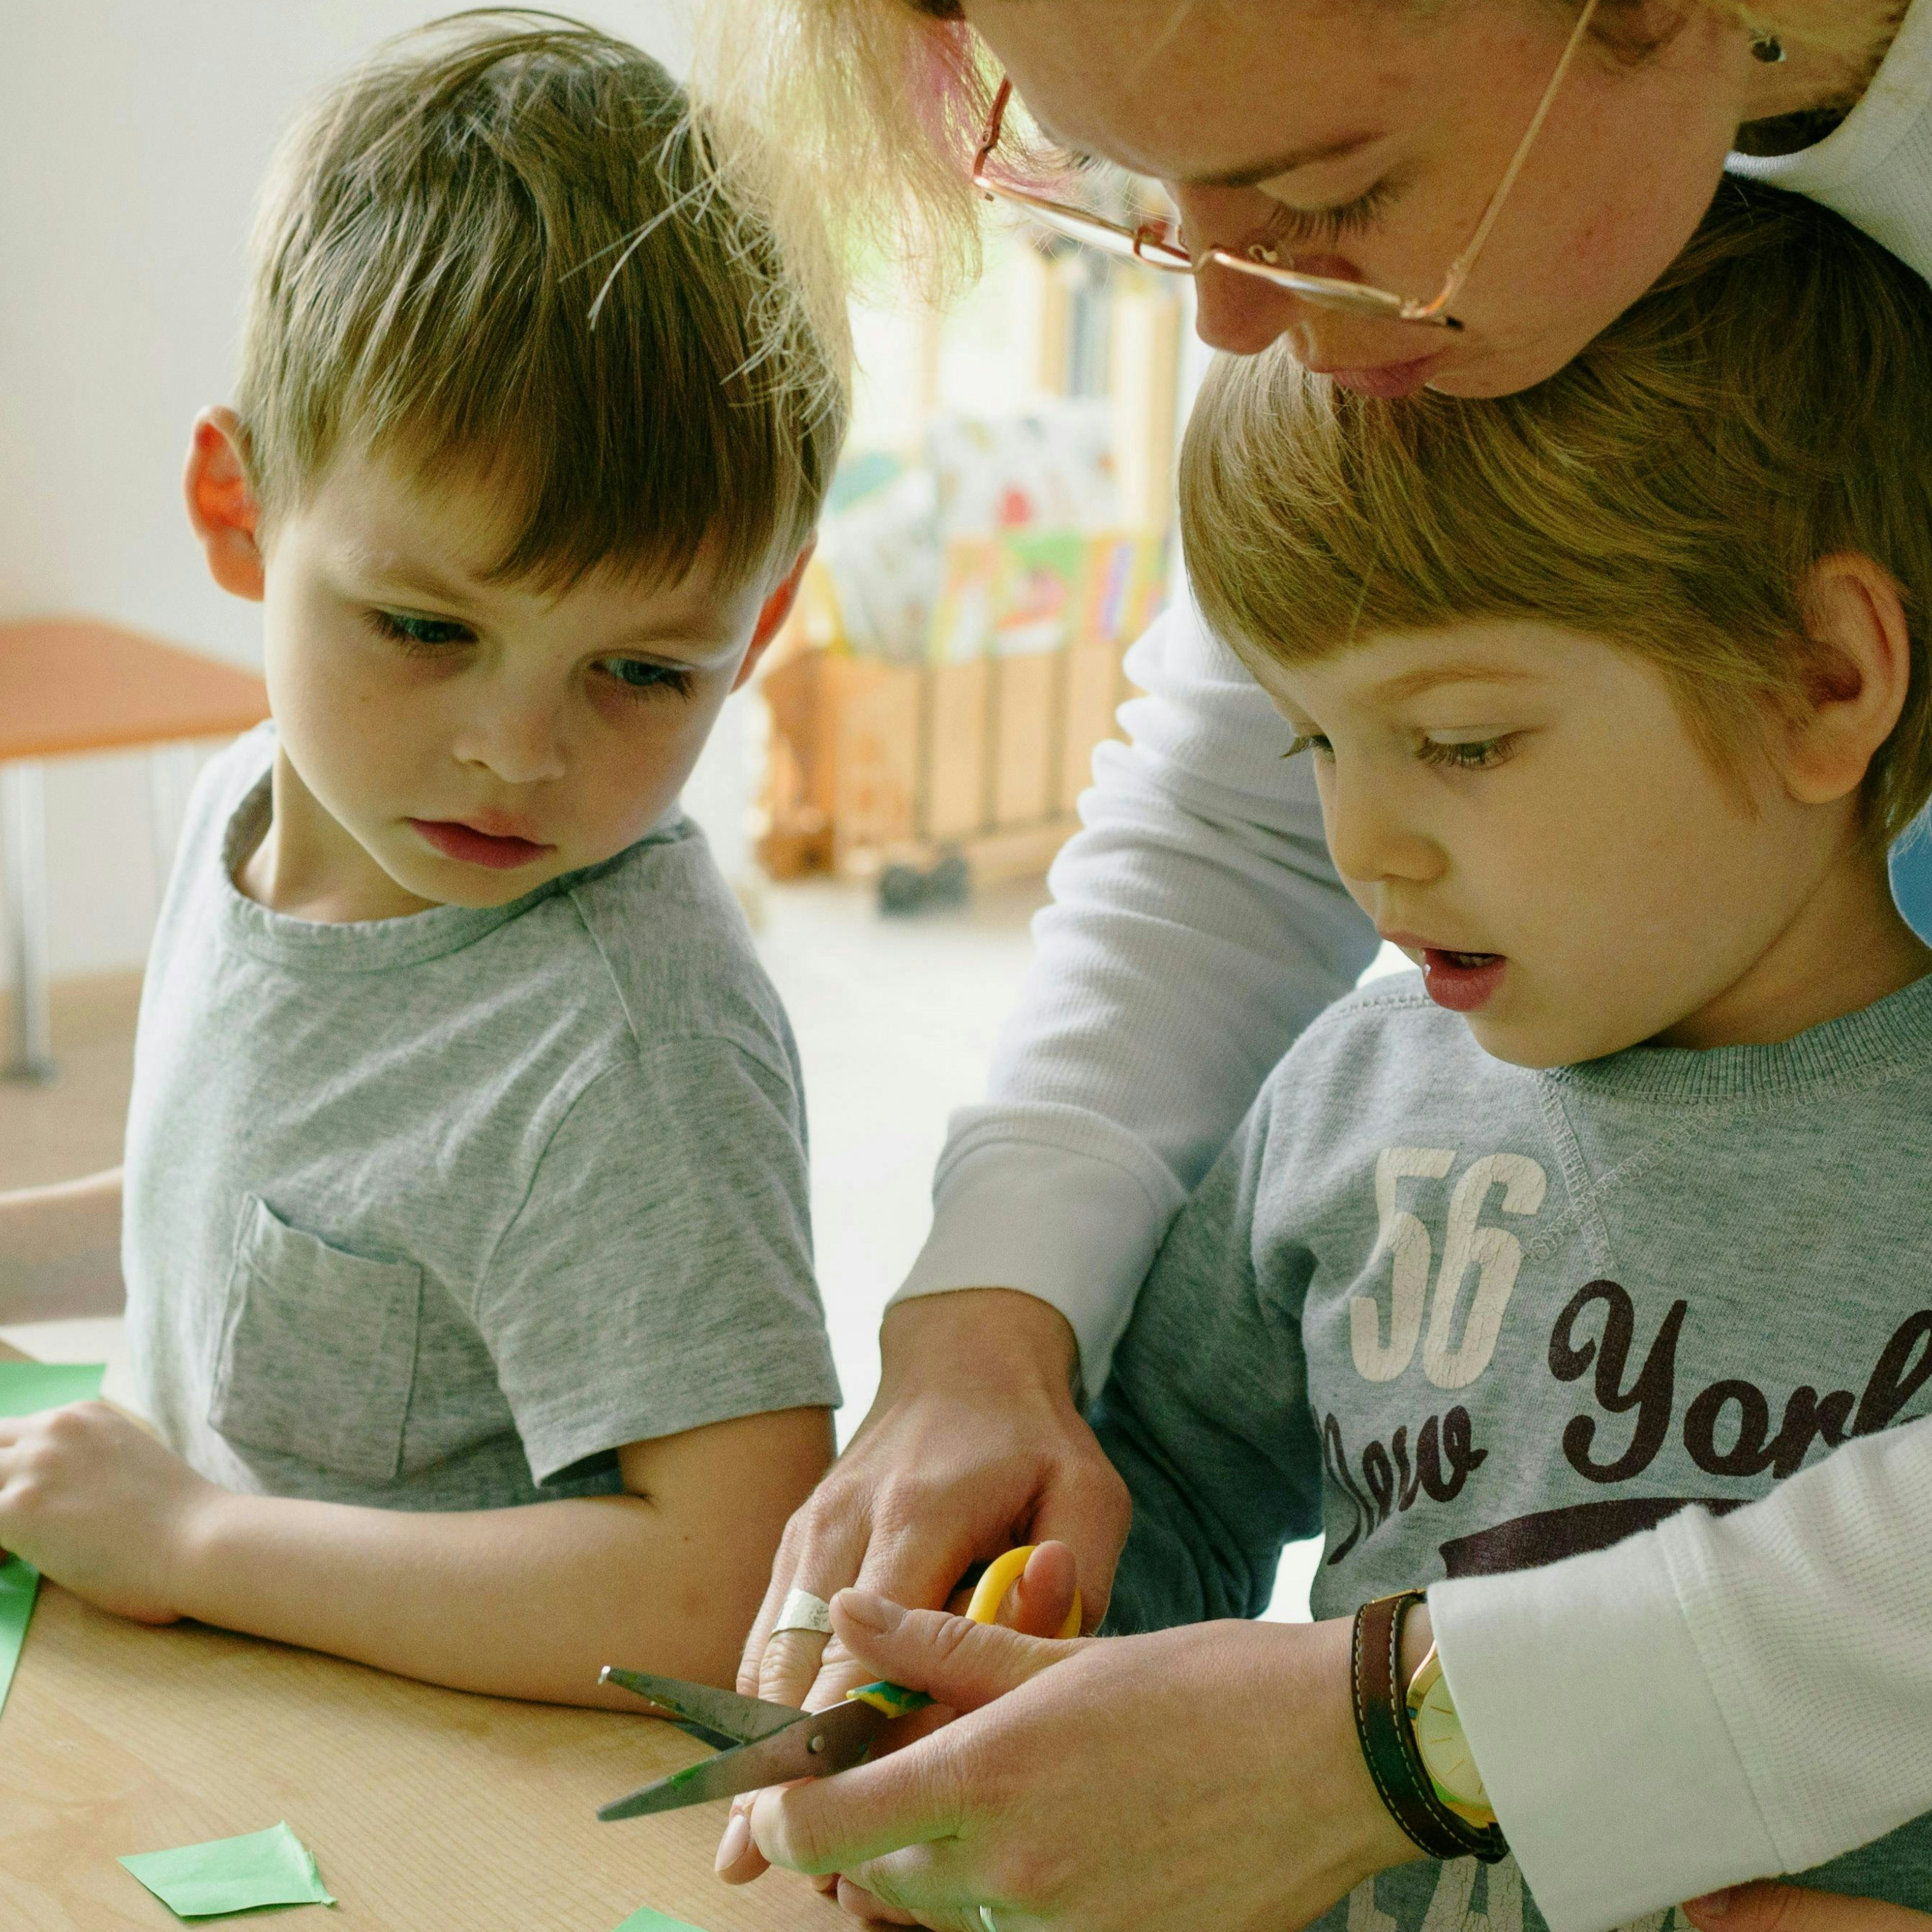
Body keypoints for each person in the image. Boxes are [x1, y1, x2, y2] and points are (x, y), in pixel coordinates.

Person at [694, 0, 1932, 1924]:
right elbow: (1162, 1493)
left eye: (1327, 191)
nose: (1229, 314)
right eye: (1129, 195)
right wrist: (989, 1350)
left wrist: (1392, 1743)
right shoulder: (1358, 1111)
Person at [1090, 179, 1932, 1927]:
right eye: (1315, 736)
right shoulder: (1350, 1094)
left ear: (1822, 682)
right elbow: (1159, 1480)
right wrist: (1032, 1635)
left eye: (1461, 742)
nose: (1366, 848)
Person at [0, 12, 848, 1706]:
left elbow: (728, 1587)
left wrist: (188, 1544)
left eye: (641, 671)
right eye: (420, 627)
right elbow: (252, 1216)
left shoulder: (631, 1051)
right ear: (240, 516)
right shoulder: (258, 798)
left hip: (450, 1800)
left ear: (756, 629)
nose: (517, 755)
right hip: (245, 1724)